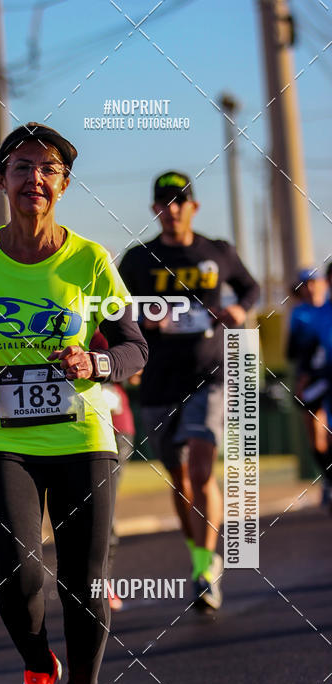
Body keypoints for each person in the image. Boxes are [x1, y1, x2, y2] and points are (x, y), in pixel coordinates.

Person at [0, 123, 148, 684]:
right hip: (1, 435)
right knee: (13, 572)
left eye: (48, 169)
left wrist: (97, 365)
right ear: (2, 178)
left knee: (85, 577)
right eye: (22, 166)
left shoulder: (90, 259)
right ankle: (39, 668)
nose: (35, 178)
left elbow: (133, 347)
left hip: (81, 434)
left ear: (63, 183)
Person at [119, 171, 259, 611]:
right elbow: (114, 310)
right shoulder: (139, 260)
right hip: (160, 381)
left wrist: (238, 308)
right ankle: (198, 556)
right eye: (164, 202)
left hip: (211, 374)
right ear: (155, 210)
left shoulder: (217, 252)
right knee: (179, 479)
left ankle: (205, 569)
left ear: (193, 207)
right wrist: (144, 323)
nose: (173, 208)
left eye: (180, 201)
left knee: (201, 467)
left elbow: (251, 288)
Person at [89, 329, 136, 611]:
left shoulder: (113, 320)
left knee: (102, 505)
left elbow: (136, 362)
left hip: (114, 427)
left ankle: (102, 581)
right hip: (67, 428)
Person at [287, 268, 332, 508]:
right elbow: (294, 352)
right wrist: (302, 380)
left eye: (315, 282)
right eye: (306, 284)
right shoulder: (299, 314)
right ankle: (328, 478)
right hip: (312, 381)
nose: (311, 287)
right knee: (317, 439)